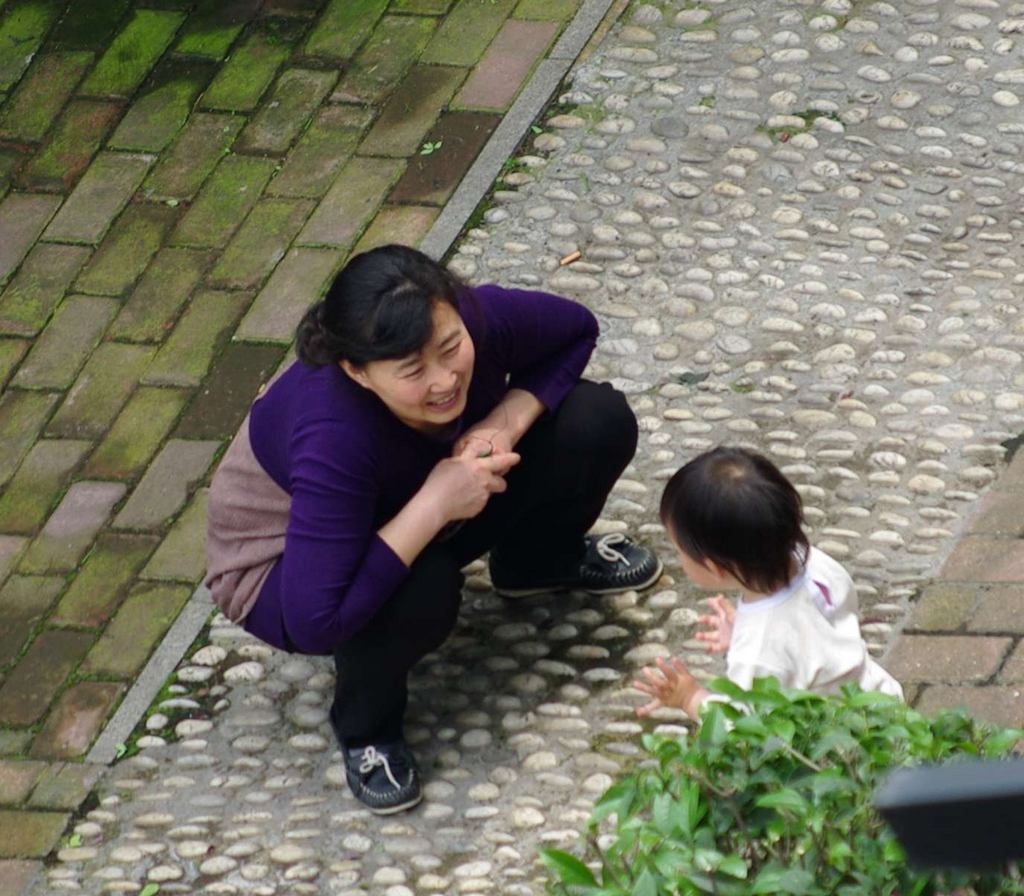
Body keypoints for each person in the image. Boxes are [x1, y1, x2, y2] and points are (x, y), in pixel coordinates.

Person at [205, 245, 662, 814]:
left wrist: (504, 421)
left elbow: (577, 330)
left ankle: (535, 562)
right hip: (285, 575)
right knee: (421, 588)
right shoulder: (334, 435)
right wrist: (437, 501)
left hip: (425, 492)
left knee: (595, 420)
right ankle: (366, 728)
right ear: (358, 371)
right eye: (412, 371)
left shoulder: (470, 318)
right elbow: (313, 620)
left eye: (451, 348)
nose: (445, 380)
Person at [632, 446, 902, 720]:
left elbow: (740, 728)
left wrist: (690, 698)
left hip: (845, 744)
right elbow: (812, 635)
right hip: (880, 700)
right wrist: (743, 632)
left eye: (679, 550)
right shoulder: (818, 564)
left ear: (714, 567)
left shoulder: (758, 654)